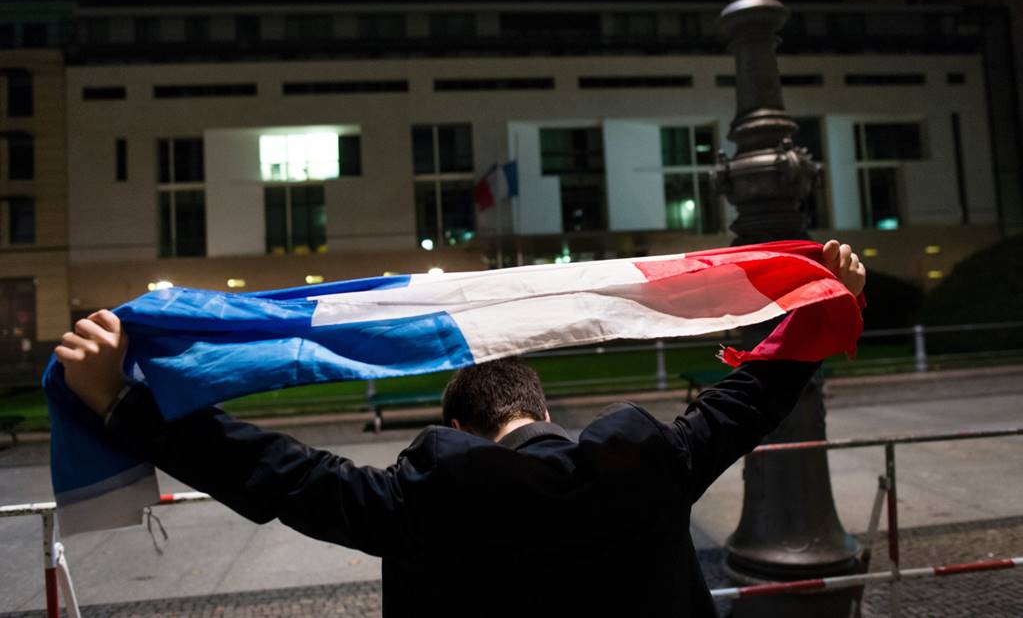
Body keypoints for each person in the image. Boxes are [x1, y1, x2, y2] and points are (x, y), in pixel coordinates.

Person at [55, 240, 865, 617]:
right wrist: (823, 303)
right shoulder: (652, 464)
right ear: (541, 409)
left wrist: (122, 401)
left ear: (457, 425)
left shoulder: (419, 504)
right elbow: (749, 398)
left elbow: (275, 473)